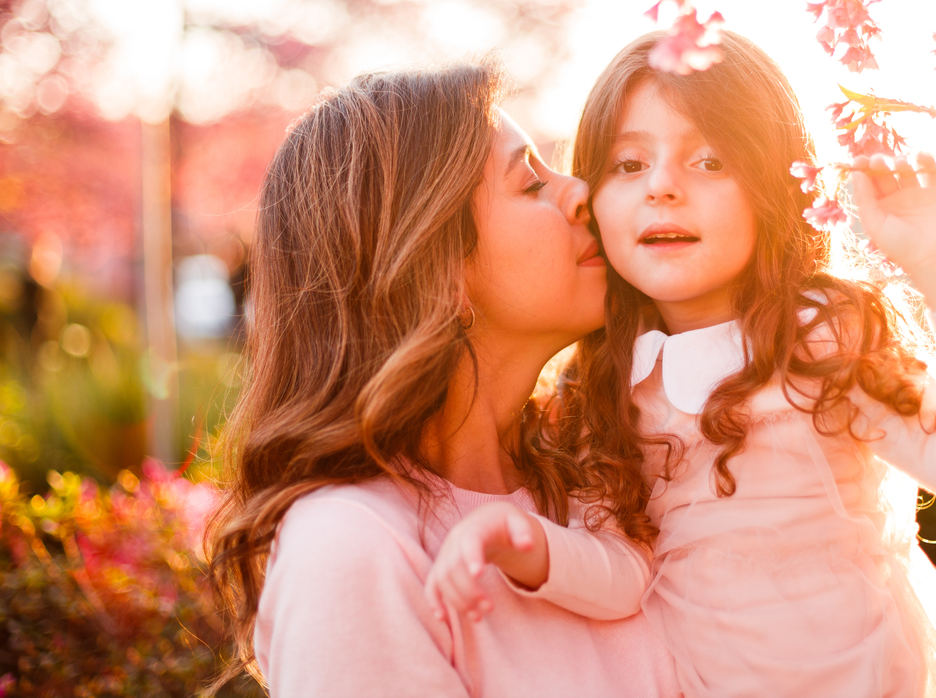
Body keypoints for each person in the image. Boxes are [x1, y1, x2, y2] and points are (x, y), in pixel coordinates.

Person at [424, 31, 936, 697]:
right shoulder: (606, 384)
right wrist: (523, 543)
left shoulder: (820, 340)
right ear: (593, 201)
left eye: (709, 161)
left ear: (771, 185)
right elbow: (623, 576)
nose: (663, 188)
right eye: (628, 164)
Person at [206, 62, 681, 697]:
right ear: (436, 270)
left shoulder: (605, 484)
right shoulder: (352, 549)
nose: (581, 192)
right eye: (530, 183)